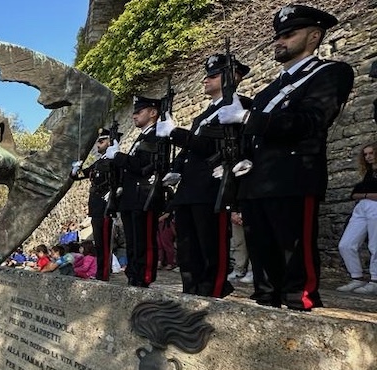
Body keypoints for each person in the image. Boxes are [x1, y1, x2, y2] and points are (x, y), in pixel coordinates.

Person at [209, 4, 353, 311]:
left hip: (293, 177)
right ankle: (266, 307)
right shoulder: (268, 91)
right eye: (278, 35)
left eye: (289, 34)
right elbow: (250, 136)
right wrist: (235, 159)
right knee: (263, 266)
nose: (280, 41)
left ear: (314, 36)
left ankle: (301, 316)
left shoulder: (330, 73)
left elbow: (312, 120)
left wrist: (248, 118)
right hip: (255, 183)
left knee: (295, 265)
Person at [157, 53, 253, 297]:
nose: (205, 80)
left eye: (213, 75)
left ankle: (214, 290)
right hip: (190, 187)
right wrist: (176, 168)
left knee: (211, 245)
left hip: (212, 186)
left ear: (232, 76)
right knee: (188, 248)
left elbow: (216, 148)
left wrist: (175, 133)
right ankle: (192, 289)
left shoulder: (239, 105)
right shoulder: (205, 114)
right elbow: (191, 147)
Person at [105, 95, 163, 287]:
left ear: (153, 113)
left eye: (139, 111)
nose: (134, 115)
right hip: (131, 197)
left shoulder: (157, 134)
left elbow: (143, 166)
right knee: (133, 241)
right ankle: (134, 274)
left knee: (143, 241)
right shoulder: (142, 137)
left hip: (144, 195)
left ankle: (144, 276)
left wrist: (119, 157)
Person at [71, 129, 116, 280]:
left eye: (102, 141)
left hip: (105, 205)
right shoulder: (99, 162)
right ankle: (101, 272)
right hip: (96, 207)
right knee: (99, 241)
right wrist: (75, 170)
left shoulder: (113, 159)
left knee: (104, 242)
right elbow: (80, 175)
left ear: (110, 142)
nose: (98, 144)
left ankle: (103, 273)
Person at [336, 143, 377, 294]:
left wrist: (366, 195)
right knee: (346, 244)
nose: (368, 157)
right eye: (365, 154)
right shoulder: (367, 173)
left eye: (371, 153)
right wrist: (367, 195)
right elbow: (354, 194)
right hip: (362, 207)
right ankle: (356, 278)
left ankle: (375, 280)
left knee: (375, 245)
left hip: (375, 208)